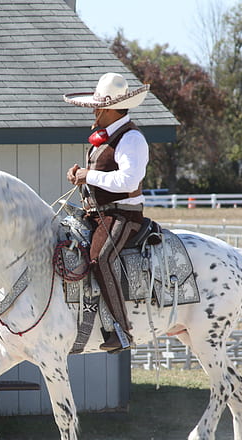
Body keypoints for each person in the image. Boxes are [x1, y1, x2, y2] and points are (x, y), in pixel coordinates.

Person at [63, 72, 151, 352]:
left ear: (111, 109)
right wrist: (81, 174)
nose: (95, 111)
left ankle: (122, 331)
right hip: (100, 213)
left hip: (124, 214)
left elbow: (128, 181)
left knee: (100, 258)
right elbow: (103, 174)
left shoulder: (132, 139)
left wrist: (88, 175)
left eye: (98, 107)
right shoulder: (109, 137)